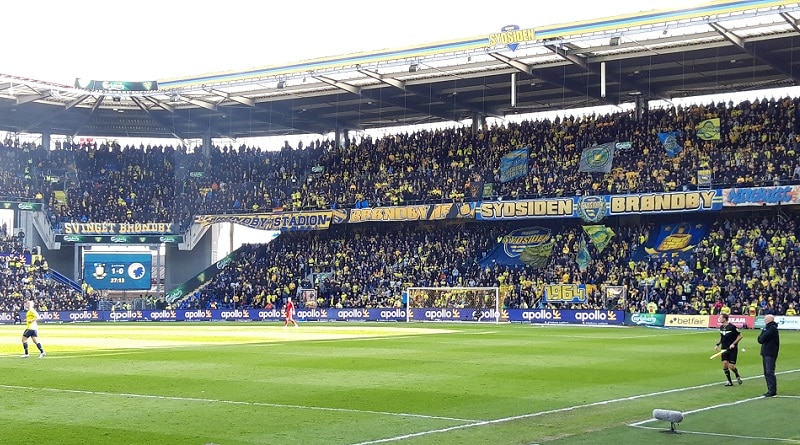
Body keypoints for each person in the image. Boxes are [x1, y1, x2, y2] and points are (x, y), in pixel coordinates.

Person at [714, 313, 742, 386]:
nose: (719, 319)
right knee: (725, 365)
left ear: (724, 319)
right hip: (724, 349)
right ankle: (730, 381)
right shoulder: (721, 327)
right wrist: (717, 344)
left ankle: (737, 375)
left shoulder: (732, 327)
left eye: (720, 318)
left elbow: (740, 336)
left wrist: (733, 344)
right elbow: (722, 337)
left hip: (732, 349)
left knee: (731, 366)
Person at [757, 313, 780, 397]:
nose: (764, 320)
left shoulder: (771, 329)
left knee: (769, 372)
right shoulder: (769, 328)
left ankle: (772, 390)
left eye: (765, 319)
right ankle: (770, 389)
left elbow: (761, 339)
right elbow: (760, 339)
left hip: (770, 352)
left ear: (769, 320)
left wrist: (762, 334)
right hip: (766, 352)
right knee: (767, 372)